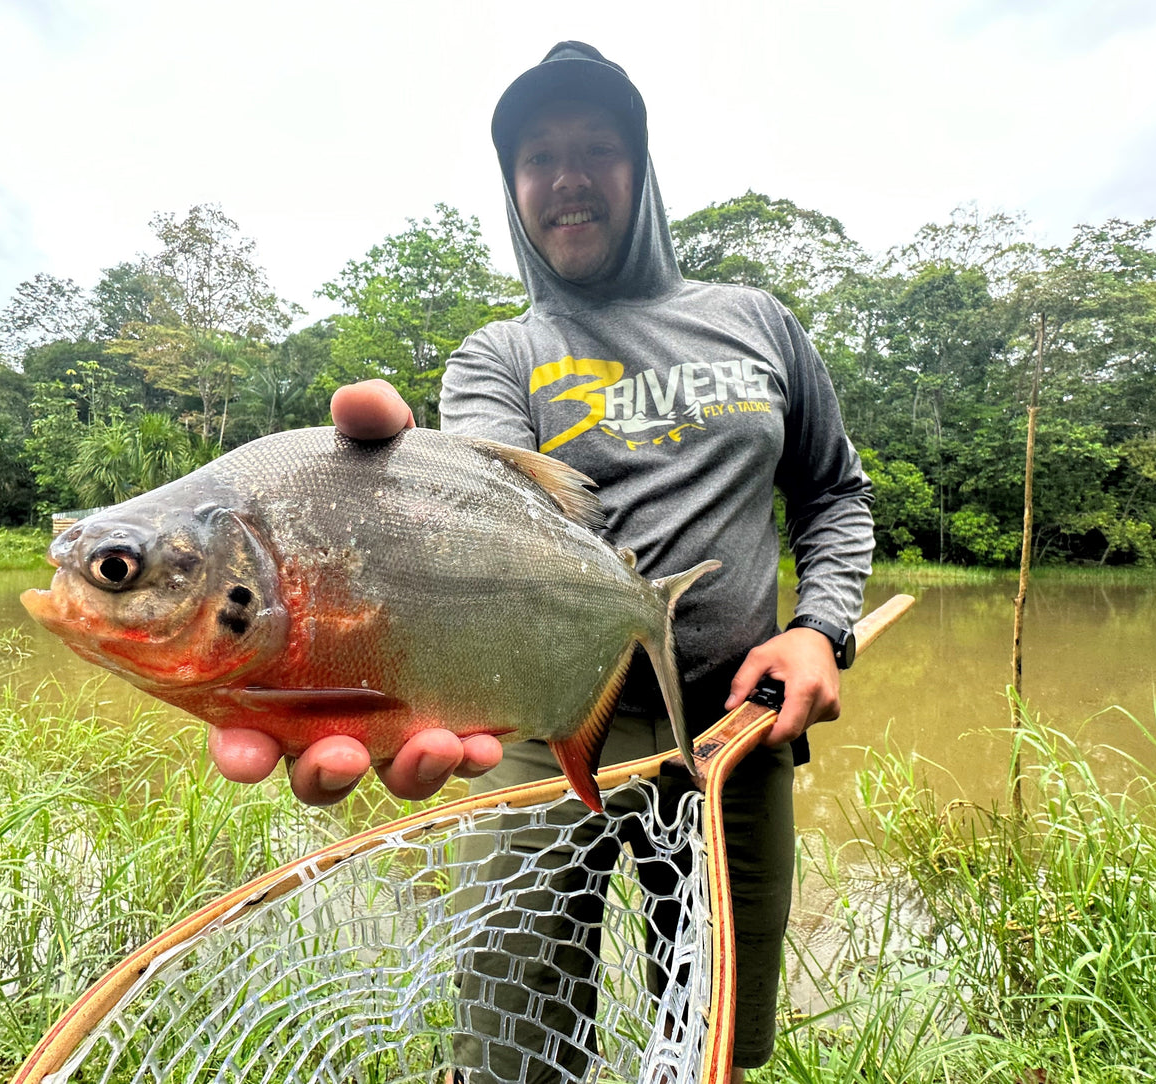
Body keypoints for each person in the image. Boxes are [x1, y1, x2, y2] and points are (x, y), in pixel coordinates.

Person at [211, 41, 873, 1083]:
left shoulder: (755, 324)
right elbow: (481, 510)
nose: (565, 177)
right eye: (537, 157)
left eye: (595, 149)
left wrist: (817, 625)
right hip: (540, 723)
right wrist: (359, 517)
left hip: (737, 730)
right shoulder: (497, 355)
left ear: (639, 167)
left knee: (717, 1038)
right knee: (514, 1039)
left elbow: (833, 492)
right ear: (512, 186)